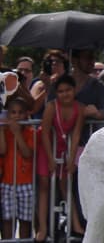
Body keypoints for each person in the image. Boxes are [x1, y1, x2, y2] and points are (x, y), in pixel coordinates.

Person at [35, 75, 82, 240]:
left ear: (74, 90)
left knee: (65, 184)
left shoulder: (79, 108)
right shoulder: (50, 107)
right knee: (44, 185)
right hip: (46, 147)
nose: (65, 94)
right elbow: (45, 133)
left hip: (64, 147)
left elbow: (76, 134)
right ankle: (42, 228)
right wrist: (49, 158)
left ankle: (76, 224)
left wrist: (71, 159)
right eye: (61, 91)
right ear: (57, 93)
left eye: (68, 90)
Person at [0, 95, 35, 241]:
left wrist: (17, 133)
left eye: (20, 112)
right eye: (13, 112)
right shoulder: (5, 131)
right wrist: (2, 130)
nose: (17, 116)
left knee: (25, 221)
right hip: (7, 183)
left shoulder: (30, 131)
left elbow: (27, 153)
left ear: (26, 114)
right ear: (8, 114)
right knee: (7, 220)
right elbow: (2, 150)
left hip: (25, 183)